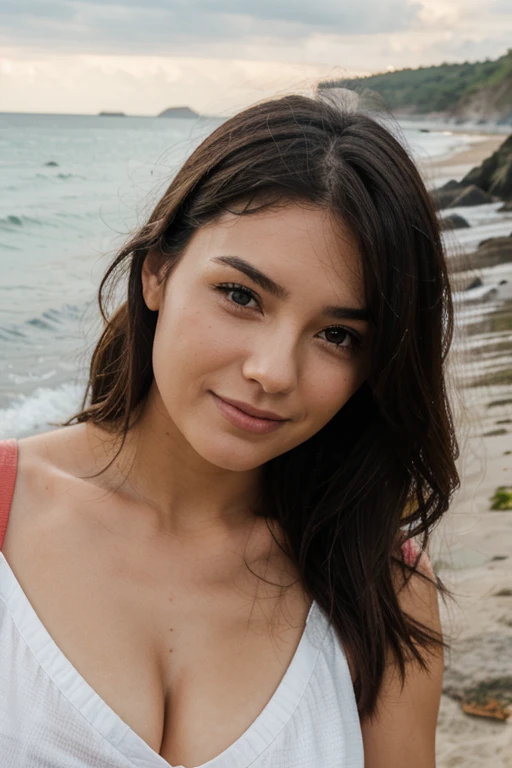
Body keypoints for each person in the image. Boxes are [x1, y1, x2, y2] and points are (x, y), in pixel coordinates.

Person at [0, 92, 460, 767]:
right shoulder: (9, 514)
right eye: (241, 296)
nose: (273, 372)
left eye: (337, 335)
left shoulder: (381, 589)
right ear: (157, 271)